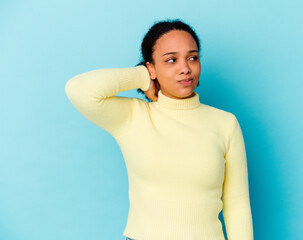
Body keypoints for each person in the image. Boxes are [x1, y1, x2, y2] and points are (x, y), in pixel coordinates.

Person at [65, 18, 253, 240]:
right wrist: (142, 76)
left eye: (192, 57)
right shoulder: (133, 117)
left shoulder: (225, 123)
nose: (185, 68)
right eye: (171, 60)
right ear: (151, 67)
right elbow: (79, 89)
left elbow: (237, 203)